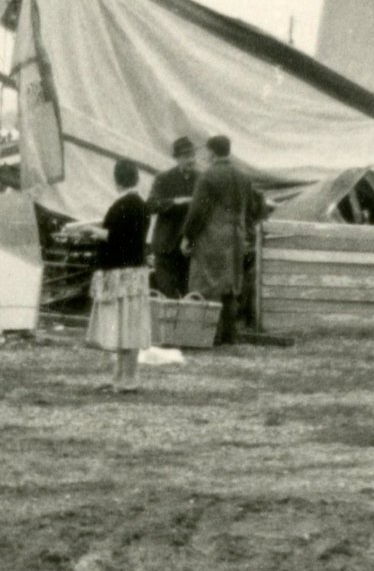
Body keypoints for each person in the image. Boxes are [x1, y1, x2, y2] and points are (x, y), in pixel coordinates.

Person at [180, 135, 268, 346]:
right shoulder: (243, 177)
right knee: (229, 287)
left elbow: (197, 211)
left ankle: (210, 335)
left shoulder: (208, 176)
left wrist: (188, 237)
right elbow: (256, 209)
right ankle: (230, 335)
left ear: (211, 152)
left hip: (211, 238)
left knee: (206, 284)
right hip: (236, 239)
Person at [87, 159, 152, 388]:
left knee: (121, 327)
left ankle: (126, 379)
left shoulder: (121, 206)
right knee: (131, 326)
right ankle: (125, 377)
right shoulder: (142, 205)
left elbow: (113, 237)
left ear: (117, 180)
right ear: (136, 178)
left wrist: (90, 230)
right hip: (136, 272)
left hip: (119, 274)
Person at [146, 135, 200, 298]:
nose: (190, 160)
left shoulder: (201, 179)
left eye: (191, 155)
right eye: (185, 156)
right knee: (167, 294)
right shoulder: (163, 179)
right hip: (165, 247)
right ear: (176, 158)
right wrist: (175, 202)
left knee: (189, 295)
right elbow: (151, 205)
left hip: (190, 249)